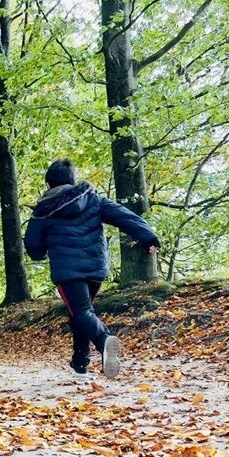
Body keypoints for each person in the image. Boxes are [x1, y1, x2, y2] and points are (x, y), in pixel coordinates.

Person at [23, 159, 160, 379]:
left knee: (81, 312)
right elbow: (124, 216)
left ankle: (104, 340)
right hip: (96, 269)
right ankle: (79, 365)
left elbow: (32, 244)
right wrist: (148, 237)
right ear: (72, 179)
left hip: (68, 272)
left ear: (49, 184)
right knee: (80, 313)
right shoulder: (93, 199)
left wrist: (40, 254)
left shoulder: (43, 211)